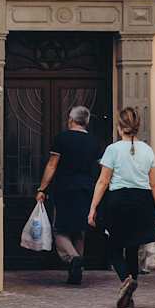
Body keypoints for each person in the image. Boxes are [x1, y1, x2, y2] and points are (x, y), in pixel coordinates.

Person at [87, 108, 155, 308]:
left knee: (112, 248)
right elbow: (154, 184)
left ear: (119, 127)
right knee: (132, 248)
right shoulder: (148, 150)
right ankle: (129, 297)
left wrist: (93, 207)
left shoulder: (113, 149)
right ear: (137, 127)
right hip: (143, 200)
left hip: (119, 200)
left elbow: (103, 181)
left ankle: (126, 280)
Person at [34, 105, 100, 285]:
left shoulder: (62, 139)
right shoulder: (94, 142)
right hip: (87, 189)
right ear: (86, 122)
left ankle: (73, 258)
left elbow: (52, 165)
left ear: (71, 120)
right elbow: (98, 169)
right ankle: (75, 271)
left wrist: (42, 188)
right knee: (79, 230)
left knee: (60, 230)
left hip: (65, 189)